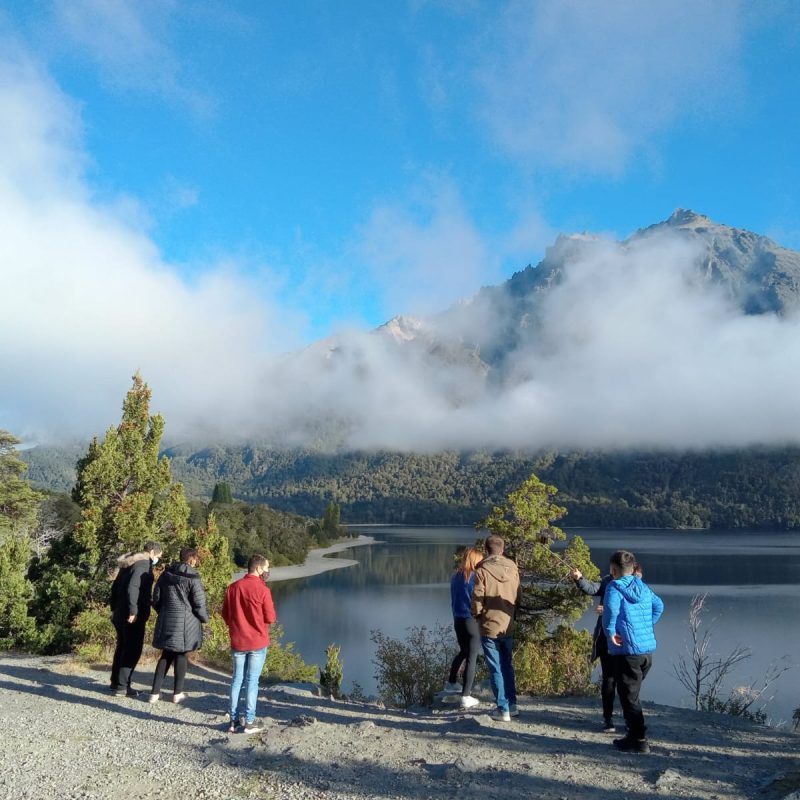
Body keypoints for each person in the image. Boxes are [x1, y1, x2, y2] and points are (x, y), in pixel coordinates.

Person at [603, 549, 664, 753]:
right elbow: (659, 606)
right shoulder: (643, 587)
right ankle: (634, 733)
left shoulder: (614, 587)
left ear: (613, 569)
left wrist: (611, 631)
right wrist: (645, 626)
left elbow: (610, 610)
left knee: (629, 696)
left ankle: (638, 740)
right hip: (646, 652)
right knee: (633, 694)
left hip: (627, 651)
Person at [221, 554, 277, 734]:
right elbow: (270, 617)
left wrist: (236, 626)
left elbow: (226, 615)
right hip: (257, 641)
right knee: (252, 681)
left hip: (238, 640)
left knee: (237, 679)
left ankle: (233, 721)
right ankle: (250, 722)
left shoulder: (233, 588)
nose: (267, 571)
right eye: (266, 568)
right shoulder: (263, 590)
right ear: (259, 568)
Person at [148, 547, 210, 704]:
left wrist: (163, 611)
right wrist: (204, 619)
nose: (197, 561)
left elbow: (156, 598)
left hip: (167, 619)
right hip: (186, 624)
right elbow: (199, 603)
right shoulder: (193, 577)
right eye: (196, 558)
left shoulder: (166, 574)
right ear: (191, 559)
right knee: (181, 655)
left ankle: (154, 693)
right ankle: (177, 694)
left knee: (166, 655)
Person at [471, 534, 521, 722]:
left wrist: (478, 615)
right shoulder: (513, 567)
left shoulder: (482, 570)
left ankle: (503, 709)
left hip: (489, 625)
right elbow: (518, 595)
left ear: (486, 549)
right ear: (502, 550)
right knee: (507, 665)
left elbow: (477, 599)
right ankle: (513, 704)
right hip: (507, 624)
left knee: (495, 667)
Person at [109, 541, 163, 697]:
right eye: (158, 556)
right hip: (133, 614)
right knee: (133, 649)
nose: (158, 559)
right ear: (152, 552)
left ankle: (116, 682)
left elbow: (115, 587)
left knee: (122, 647)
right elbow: (133, 587)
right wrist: (133, 610)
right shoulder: (142, 565)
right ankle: (122, 686)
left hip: (119, 611)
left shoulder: (129, 563)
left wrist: (113, 608)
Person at [569, 565, 617, 731]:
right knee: (609, 679)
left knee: (627, 681)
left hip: (626, 638)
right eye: (610, 567)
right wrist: (579, 579)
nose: (611, 570)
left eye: (613, 567)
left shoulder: (635, 585)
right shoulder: (607, 581)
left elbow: (643, 607)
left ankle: (631, 720)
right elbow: (591, 588)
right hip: (605, 637)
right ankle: (608, 719)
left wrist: (609, 610)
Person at [444, 546, 484, 709]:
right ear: (475, 560)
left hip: (457, 620)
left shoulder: (456, 576)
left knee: (464, 651)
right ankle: (466, 696)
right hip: (471, 621)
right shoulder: (475, 577)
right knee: (472, 656)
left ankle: (452, 682)